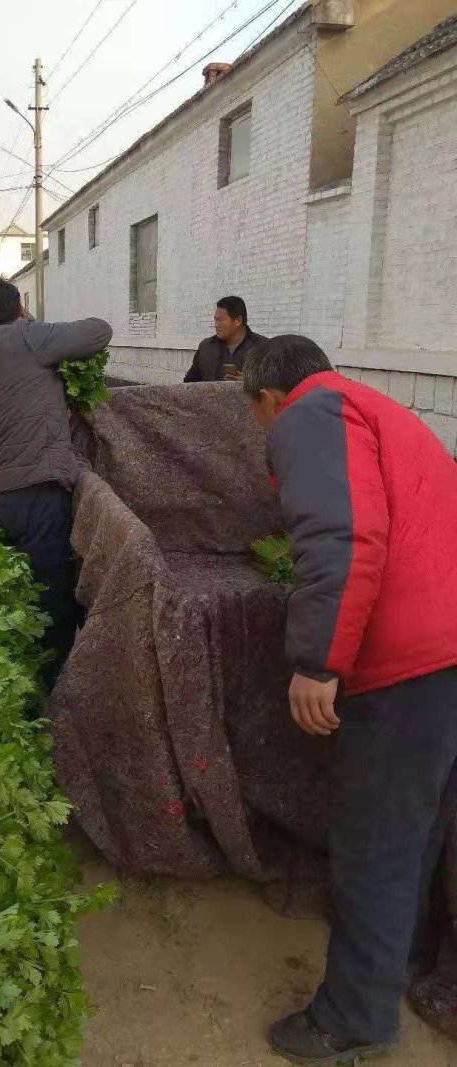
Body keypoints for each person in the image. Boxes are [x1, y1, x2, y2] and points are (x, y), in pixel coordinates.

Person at [242, 335, 457, 1065]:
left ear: (269, 396)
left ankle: (355, 1017)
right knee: (418, 826)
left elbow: (344, 535)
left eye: (257, 420)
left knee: (375, 841)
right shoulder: (376, 406)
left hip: (408, 658)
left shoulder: (311, 414)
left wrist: (317, 661)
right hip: (448, 648)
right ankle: (406, 955)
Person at [0, 278, 112, 690]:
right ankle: (54, 694)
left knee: (18, 592)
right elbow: (99, 331)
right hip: (36, 489)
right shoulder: (25, 337)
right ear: (18, 308)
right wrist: (31, 324)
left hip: (0, 494)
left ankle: (18, 684)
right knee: (51, 599)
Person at [184, 295, 266, 382]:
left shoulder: (264, 348)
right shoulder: (206, 347)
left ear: (238, 321)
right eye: (215, 320)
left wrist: (251, 384)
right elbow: (189, 383)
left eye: (221, 320)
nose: (216, 325)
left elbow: (276, 388)